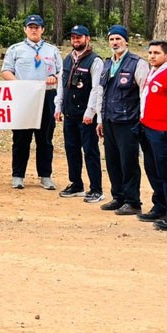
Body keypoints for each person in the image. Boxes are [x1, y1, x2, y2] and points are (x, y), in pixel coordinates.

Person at [2, 14, 61, 190]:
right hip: (23, 97)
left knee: (45, 138)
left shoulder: (52, 50)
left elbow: (62, 72)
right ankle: (18, 176)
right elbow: (6, 71)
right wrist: (19, 84)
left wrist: (54, 77)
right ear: (25, 29)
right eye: (30, 27)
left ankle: (45, 176)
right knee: (21, 138)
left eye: (37, 27)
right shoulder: (15, 49)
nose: (34, 30)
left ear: (43, 30)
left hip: (47, 96)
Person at [97, 25, 149, 215]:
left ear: (126, 41)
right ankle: (118, 196)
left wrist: (142, 120)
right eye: (111, 39)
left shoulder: (137, 63)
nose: (115, 42)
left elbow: (144, 93)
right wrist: (99, 119)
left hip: (128, 121)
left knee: (128, 162)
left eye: (118, 39)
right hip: (109, 120)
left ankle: (132, 201)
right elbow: (101, 93)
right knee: (112, 160)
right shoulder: (107, 64)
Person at [137, 40, 167, 229]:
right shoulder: (153, 72)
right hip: (148, 128)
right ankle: (160, 205)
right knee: (153, 170)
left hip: (165, 132)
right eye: (150, 53)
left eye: (156, 53)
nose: (152, 56)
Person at [54, 25, 104, 202]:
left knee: (90, 151)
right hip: (69, 113)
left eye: (79, 37)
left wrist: (91, 112)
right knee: (71, 149)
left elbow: (97, 89)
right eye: (73, 37)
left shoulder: (95, 61)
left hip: (86, 116)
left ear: (87, 38)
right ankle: (76, 184)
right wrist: (58, 107)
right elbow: (61, 84)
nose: (75, 40)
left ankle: (96, 189)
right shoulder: (68, 59)